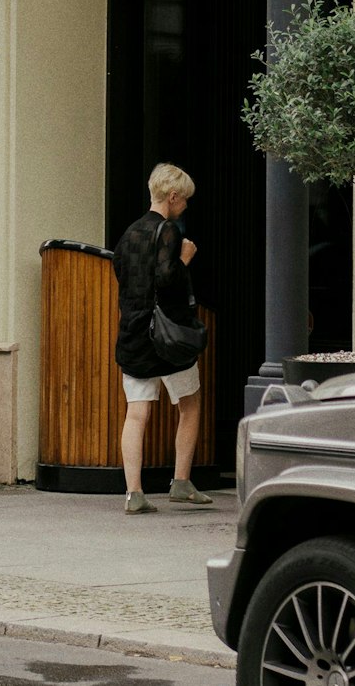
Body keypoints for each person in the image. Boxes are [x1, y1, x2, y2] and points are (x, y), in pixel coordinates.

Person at [112, 162, 212, 515]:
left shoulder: (128, 234)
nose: (186, 205)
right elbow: (167, 280)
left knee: (136, 414)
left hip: (134, 334)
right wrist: (185, 258)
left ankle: (134, 493)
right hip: (166, 337)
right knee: (190, 403)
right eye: (184, 199)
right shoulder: (168, 231)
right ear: (172, 197)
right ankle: (181, 482)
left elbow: (124, 278)